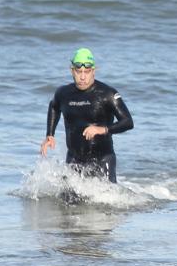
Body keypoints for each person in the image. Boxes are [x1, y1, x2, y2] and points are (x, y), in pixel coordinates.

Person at [40, 48, 133, 183]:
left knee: (109, 201)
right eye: (78, 72)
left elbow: (128, 122)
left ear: (93, 71)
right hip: (74, 159)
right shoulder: (63, 93)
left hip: (103, 159)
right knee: (66, 201)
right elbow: (54, 106)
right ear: (72, 70)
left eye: (87, 72)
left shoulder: (107, 94)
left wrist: (102, 129)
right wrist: (50, 134)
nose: (82, 77)